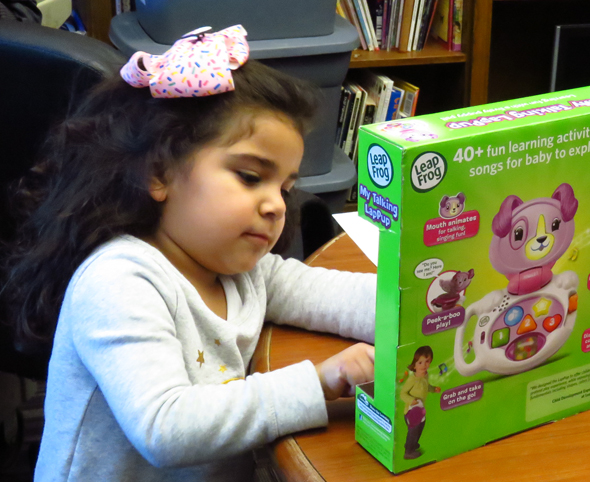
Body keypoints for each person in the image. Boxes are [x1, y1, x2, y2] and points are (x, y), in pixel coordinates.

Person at [0, 26, 376, 481]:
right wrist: (319, 381)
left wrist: (430, 304)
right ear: (159, 173)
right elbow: (166, 426)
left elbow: (338, 297)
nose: (277, 203)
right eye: (251, 177)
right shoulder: (119, 281)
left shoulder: (242, 269)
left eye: (286, 187)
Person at [398, 346, 439, 459]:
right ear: (414, 365)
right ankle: (408, 452)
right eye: (420, 362)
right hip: (411, 412)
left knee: (421, 427)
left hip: (420, 410)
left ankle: (412, 443)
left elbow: (426, 386)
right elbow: (403, 394)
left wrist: (433, 389)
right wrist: (412, 401)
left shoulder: (426, 376)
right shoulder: (412, 379)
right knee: (414, 429)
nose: (424, 365)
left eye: (427, 361)